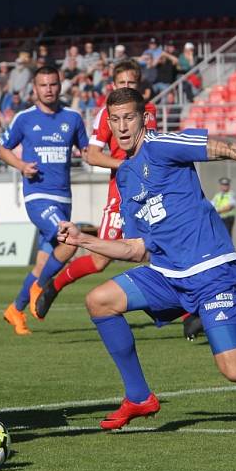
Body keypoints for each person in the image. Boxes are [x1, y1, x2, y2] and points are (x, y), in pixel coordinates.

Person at [56, 87, 236, 430]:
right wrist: (84, 240)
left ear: (144, 117)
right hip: (167, 276)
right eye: (115, 120)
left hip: (212, 271)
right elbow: (136, 248)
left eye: (129, 117)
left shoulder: (161, 144)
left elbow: (225, 148)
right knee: (100, 301)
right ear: (108, 124)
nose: (123, 126)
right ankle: (140, 397)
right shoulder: (126, 177)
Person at [34, 61, 157, 318]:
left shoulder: (148, 111)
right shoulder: (106, 114)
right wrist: (126, 165)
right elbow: (91, 155)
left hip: (150, 192)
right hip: (120, 195)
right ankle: (55, 285)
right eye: (121, 83)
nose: (126, 87)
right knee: (100, 260)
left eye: (131, 83)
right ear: (113, 85)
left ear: (139, 85)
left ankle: (191, 313)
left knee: (163, 250)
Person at [0, 66, 89, 335]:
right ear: (34, 89)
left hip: (64, 198)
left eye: (53, 84)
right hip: (38, 197)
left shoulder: (72, 118)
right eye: (43, 85)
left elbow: (86, 151)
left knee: (41, 264)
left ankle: (15, 310)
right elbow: (3, 149)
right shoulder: (24, 119)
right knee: (69, 238)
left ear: (60, 86)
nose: (48, 89)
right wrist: (21, 165)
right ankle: (42, 287)